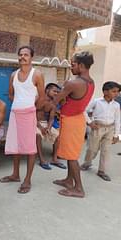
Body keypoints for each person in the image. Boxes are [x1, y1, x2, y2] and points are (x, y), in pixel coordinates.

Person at [0, 46, 45, 194]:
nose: (22, 57)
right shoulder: (14, 74)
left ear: (32, 57)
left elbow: (42, 97)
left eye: (26, 55)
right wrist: (18, 103)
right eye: (20, 55)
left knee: (30, 148)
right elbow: (11, 94)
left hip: (29, 114)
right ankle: (15, 174)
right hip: (15, 114)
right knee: (15, 145)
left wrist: (31, 108)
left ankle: (27, 180)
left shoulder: (37, 74)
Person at [53, 51, 95, 198]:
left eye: (73, 64)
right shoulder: (91, 82)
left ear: (82, 66)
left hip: (71, 121)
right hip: (78, 119)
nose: (71, 67)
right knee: (72, 153)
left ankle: (78, 189)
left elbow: (56, 100)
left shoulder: (74, 83)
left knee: (71, 157)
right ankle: (68, 180)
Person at [80, 81, 120, 181]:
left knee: (106, 151)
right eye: (114, 91)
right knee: (92, 149)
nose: (117, 94)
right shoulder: (97, 101)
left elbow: (118, 120)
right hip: (97, 128)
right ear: (105, 92)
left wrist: (116, 134)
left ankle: (102, 171)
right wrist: (89, 122)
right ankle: (87, 163)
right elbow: (84, 110)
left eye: (118, 92)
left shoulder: (116, 105)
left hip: (110, 129)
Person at [37, 83, 66, 170]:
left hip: (45, 123)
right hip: (35, 122)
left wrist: (48, 128)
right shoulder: (39, 100)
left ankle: (54, 159)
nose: (56, 93)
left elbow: (51, 118)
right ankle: (42, 159)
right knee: (37, 135)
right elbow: (32, 115)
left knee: (57, 135)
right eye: (54, 91)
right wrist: (41, 128)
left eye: (57, 92)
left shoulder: (53, 104)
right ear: (47, 90)